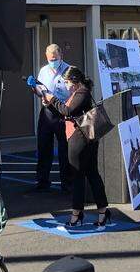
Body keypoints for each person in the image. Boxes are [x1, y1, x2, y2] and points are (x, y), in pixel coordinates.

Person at [40, 66, 110, 228]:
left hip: (80, 138)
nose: (66, 86)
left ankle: (76, 215)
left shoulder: (82, 93)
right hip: (87, 137)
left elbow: (67, 110)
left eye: (67, 82)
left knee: (78, 176)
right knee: (92, 174)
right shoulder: (80, 92)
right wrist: (49, 104)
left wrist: (52, 99)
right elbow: (66, 113)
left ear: (75, 81)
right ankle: (102, 212)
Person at [30, 44, 74, 192]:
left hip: (63, 113)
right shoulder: (43, 71)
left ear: (61, 55)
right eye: (50, 59)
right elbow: (40, 90)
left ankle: (67, 183)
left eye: (55, 59)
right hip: (47, 112)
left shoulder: (69, 70)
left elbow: (74, 92)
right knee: (43, 147)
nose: (52, 61)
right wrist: (34, 88)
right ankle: (42, 181)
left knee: (64, 149)